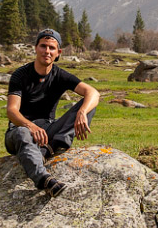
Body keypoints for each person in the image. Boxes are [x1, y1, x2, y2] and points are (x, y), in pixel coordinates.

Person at [5, 28, 100, 197]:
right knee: (22, 133)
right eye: (43, 46)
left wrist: (82, 112)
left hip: (47, 133)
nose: (47, 51)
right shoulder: (20, 75)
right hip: (19, 130)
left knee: (87, 106)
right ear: (35, 48)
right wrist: (30, 126)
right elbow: (12, 110)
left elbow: (93, 93)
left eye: (51, 48)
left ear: (58, 53)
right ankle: (44, 180)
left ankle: (48, 150)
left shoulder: (59, 75)